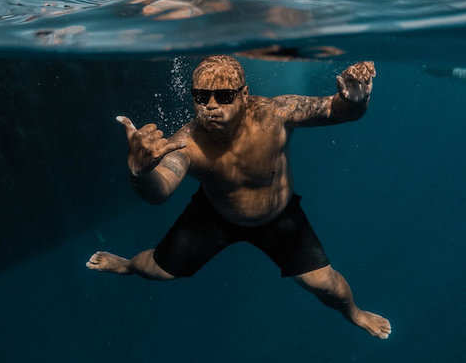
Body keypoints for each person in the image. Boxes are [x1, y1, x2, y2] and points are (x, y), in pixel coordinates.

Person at [87, 56, 392, 341]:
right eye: (201, 97)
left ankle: (354, 313)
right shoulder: (186, 142)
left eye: (224, 96)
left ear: (244, 95)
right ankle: (127, 265)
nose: (211, 106)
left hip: (278, 215)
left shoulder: (276, 114)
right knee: (156, 270)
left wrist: (356, 100)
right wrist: (139, 173)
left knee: (328, 286)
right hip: (216, 215)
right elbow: (160, 191)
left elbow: (336, 111)